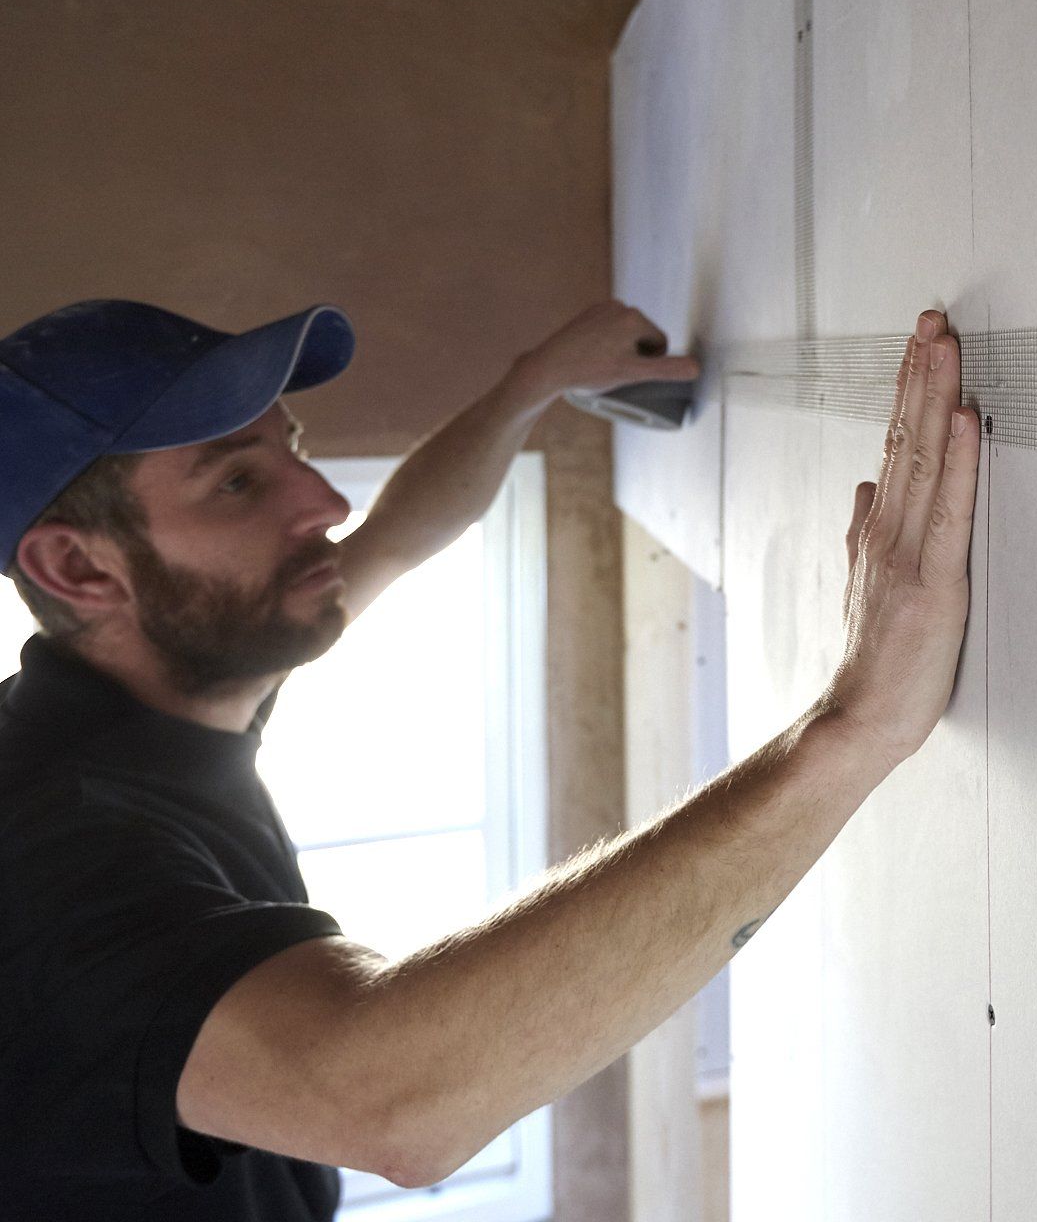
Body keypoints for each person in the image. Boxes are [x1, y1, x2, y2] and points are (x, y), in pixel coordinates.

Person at [0, 297, 979, 1220]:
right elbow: (384, 1099)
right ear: (78, 567)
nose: (327, 501)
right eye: (238, 481)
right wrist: (858, 723)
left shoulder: (184, 679)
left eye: (288, 447)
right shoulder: (50, 853)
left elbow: (391, 537)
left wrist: (532, 384)